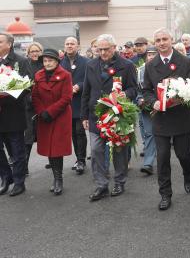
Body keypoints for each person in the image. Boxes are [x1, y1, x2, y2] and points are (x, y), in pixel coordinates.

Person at [143, 28, 190, 211]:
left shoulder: (185, 61)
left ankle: (187, 173)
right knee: (163, 157)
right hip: (161, 119)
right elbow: (147, 90)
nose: (161, 43)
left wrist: (182, 96)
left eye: (164, 39)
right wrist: (153, 103)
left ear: (171, 40)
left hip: (180, 116)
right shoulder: (150, 65)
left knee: (183, 155)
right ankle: (165, 194)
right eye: (157, 40)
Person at [81, 34, 137, 202]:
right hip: (94, 115)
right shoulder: (91, 65)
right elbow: (86, 91)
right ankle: (101, 184)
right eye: (100, 49)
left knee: (119, 150)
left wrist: (121, 95)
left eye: (106, 49)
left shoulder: (126, 65)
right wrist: (84, 115)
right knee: (96, 150)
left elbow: (134, 89)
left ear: (114, 48)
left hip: (117, 115)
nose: (103, 52)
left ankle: (119, 181)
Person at [32, 49, 73, 195]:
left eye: (50, 60)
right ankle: (55, 178)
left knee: (57, 149)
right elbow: (35, 96)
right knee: (49, 148)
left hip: (60, 116)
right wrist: (41, 112)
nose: (47, 63)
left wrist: (50, 112)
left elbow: (67, 97)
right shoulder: (38, 75)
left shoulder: (65, 75)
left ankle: (58, 179)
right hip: (44, 117)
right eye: (45, 61)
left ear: (56, 61)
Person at [0, 32, 33, 197]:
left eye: (0, 42)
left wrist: (9, 91)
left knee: (17, 149)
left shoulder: (20, 61)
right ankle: (6, 178)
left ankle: (19, 182)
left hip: (13, 112)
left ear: (9, 44)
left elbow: (28, 85)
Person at [61, 37, 89, 175]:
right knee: (72, 132)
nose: (70, 46)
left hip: (81, 101)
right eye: (67, 44)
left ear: (77, 46)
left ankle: (82, 160)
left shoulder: (86, 62)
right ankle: (78, 158)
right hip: (67, 103)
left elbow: (89, 79)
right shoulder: (60, 62)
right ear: (64, 46)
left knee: (80, 131)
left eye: (72, 44)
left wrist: (79, 86)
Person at [24, 42, 44, 174]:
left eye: (37, 51)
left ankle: (53, 163)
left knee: (46, 134)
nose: (35, 53)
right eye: (32, 51)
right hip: (28, 105)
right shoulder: (25, 65)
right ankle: (23, 166)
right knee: (28, 137)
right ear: (28, 53)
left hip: (44, 104)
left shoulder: (45, 64)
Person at [137, 46, 158, 175]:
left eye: (153, 54)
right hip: (146, 107)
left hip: (163, 106)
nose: (151, 57)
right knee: (149, 133)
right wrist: (139, 99)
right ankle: (148, 163)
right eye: (149, 54)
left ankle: (162, 159)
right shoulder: (140, 71)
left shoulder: (164, 68)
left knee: (162, 136)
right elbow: (137, 89)